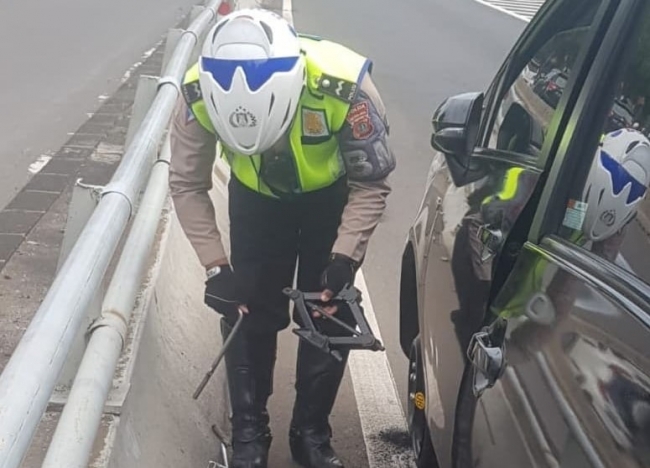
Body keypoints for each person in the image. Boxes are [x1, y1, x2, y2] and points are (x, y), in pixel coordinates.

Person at [168, 8, 395, 468]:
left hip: (328, 197)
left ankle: (311, 433)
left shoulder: (345, 87)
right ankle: (250, 432)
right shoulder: (196, 92)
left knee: (327, 308)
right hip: (255, 198)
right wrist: (216, 266)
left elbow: (371, 183)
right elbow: (187, 183)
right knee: (245, 307)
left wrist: (344, 257)